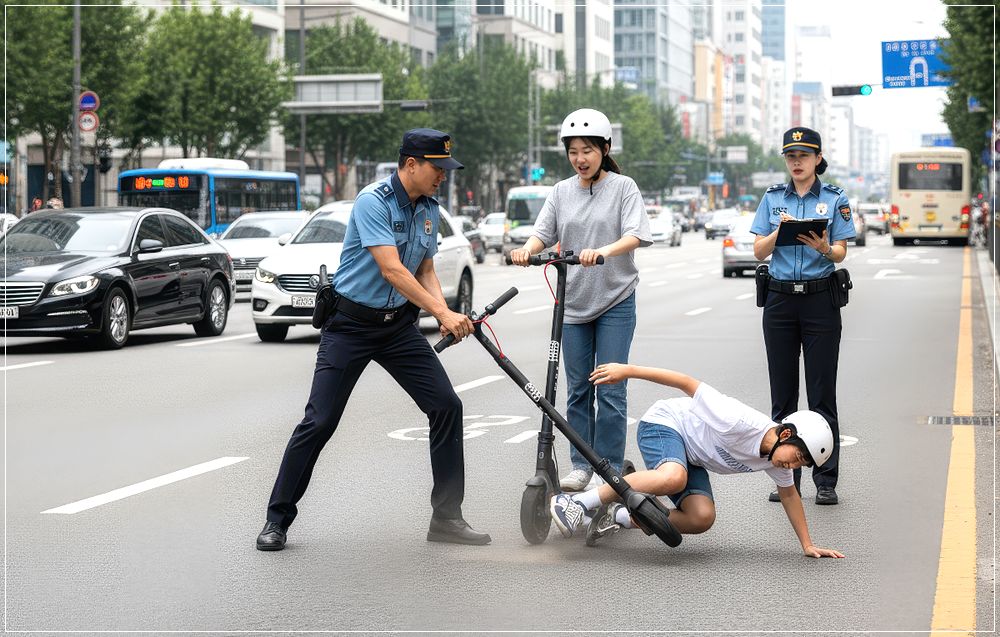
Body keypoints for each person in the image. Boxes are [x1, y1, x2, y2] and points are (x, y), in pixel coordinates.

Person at [257, 128, 490, 551]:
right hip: (350, 325)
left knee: (446, 406)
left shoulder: (429, 209)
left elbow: (424, 271)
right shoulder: (372, 203)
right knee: (320, 421)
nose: (444, 177)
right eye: (438, 169)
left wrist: (443, 315)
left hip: (398, 327)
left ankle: (446, 518)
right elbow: (393, 270)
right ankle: (277, 520)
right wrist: (442, 311)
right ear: (412, 164)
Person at [548, 363, 844, 558]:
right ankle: (575, 504)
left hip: (693, 456)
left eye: (801, 465)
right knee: (674, 477)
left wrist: (807, 545)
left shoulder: (774, 459)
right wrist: (627, 371)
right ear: (787, 433)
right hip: (665, 424)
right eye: (798, 456)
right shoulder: (738, 421)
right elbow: (686, 382)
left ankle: (617, 517)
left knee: (701, 517)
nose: (793, 465)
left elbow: (790, 495)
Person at [510, 108, 652, 492]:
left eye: (587, 150)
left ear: (605, 149)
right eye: (573, 151)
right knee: (576, 389)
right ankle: (581, 464)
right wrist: (526, 250)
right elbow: (542, 232)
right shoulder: (560, 191)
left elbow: (636, 235)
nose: (580, 159)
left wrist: (602, 250)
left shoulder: (624, 188)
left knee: (609, 387)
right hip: (572, 304)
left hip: (615, 300)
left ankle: (606, 467)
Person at [750, 127, 855, 506]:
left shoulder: (834, 199)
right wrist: (778, 233)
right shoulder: (773, 198)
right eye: (791, 156)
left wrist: (825, 247)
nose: (796, 162)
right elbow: (759, 251)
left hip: (819, 303)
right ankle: (785, 475)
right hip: (779, 302)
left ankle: (825, 481)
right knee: (782, 397)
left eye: (803, 156)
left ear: (817, 159)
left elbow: (841, 252)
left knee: (822, 393)